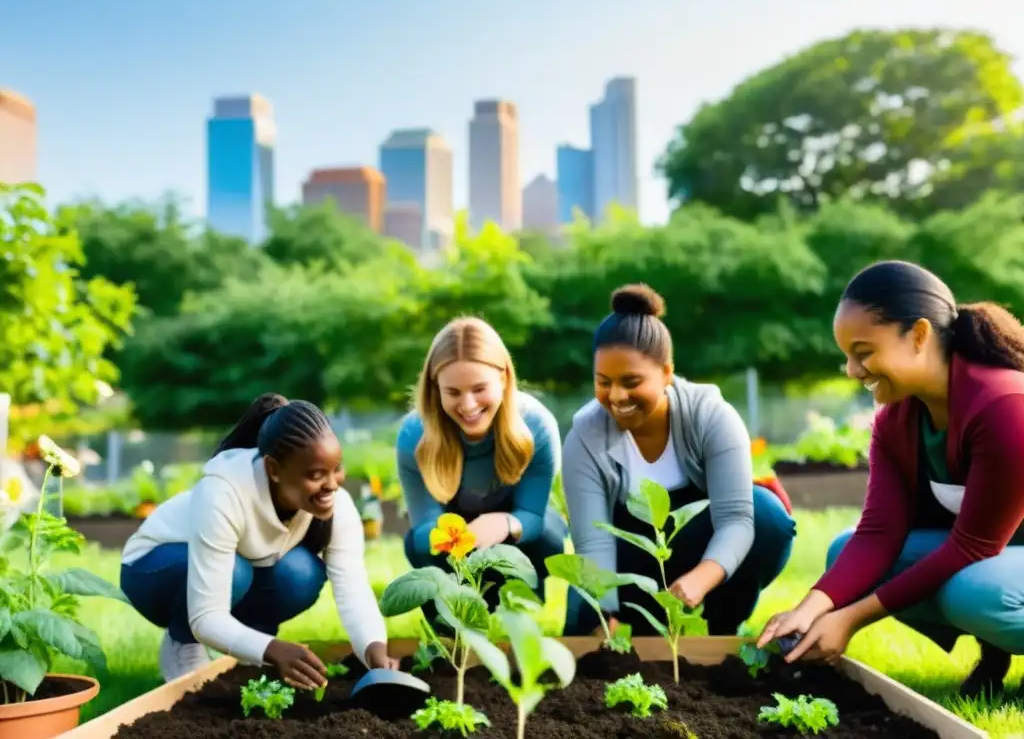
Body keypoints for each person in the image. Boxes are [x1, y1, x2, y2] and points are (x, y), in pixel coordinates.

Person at [758, 260, 1024, 699]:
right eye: (846, 356)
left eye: (863, 352)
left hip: (994, 556)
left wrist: (849, 618)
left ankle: (998, 640)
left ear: (919, 335)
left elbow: (973, 547)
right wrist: (811, 607)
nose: (851, 369)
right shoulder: (898, 419)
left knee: (972, 593)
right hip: (1004, 553)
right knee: (844, 551)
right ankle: (995, 651)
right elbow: (879, 533)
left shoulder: (1004, 406)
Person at [562, 284, 796, 637]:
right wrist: (603, 608)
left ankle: (722, 631)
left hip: (700, 553)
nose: (616, 396)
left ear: (667, 372)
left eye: (631, 381)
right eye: (603, 382)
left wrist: (701, 579)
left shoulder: (711, 416)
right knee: (582, 633)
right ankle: (636, 627)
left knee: (767, 516)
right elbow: (592, 541)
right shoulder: (585, 433)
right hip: (625, 562)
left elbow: (735, 520)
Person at [120, 394, 398, 688]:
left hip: (238, 570)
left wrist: (374, 651)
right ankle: (182, 644)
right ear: (273, 469)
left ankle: (247, 650)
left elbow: (353, 588)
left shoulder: (334, 504)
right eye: (316, 474)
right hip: (152, 569)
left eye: (336, 468)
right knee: (236, 573)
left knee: (301, 573)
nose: (332, 484)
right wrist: (274, 649)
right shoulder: (223, 491)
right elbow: (207, 616)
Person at [396, 316, 568, 616]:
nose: (468, 404)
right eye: (453, 392)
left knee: (548, 535)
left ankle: (518, 604)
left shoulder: (536, 426)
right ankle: (449, 620)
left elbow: (532, 515)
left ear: (503, 379)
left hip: (512, 532)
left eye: (479, 388)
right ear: (435, 389)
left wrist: (505, 523)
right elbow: (424, 527)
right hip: (452, 540)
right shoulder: (414, 436)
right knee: (415, 544)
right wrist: (460, 536)